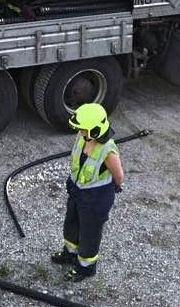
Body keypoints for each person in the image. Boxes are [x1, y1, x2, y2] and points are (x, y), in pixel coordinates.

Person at [50, 103, 124, 282]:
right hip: (77, 191)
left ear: (96, 130)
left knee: (89, 232)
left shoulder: (108, 150)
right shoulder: (84, 137)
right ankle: (70, 253)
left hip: (96, 197)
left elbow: (118, 175)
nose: (80, 131)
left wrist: (115, 186)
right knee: (72, 223)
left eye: (83, 129)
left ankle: (86, 267)